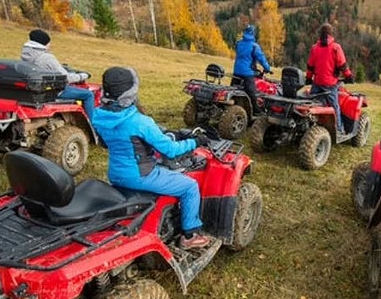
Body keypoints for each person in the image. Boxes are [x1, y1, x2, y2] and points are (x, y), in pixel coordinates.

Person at [90, 66, 211, 249]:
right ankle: (190, 235)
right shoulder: (140, 122)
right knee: (190, 187)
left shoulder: (98, 115)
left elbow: (109, 143)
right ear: (130, 94)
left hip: (116, 174)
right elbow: (170, 150)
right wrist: (195, 141)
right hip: (141, 176)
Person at [20, 28, 96, 124]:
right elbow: (66, 78)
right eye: (49, 43)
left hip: (33, 89)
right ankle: (92, 125)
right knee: (88, 95)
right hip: (52, 91)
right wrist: (83, 75)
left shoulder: (26, 54)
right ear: (44, 43)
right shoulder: (46, 57)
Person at [305, 23, 353, 134]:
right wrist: (348, 76)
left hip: (317, 83)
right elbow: (342, 65)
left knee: (310, 104)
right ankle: (339, 130)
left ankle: (309, 127)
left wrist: (308, 78)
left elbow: (310, 66)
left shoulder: (314, 48)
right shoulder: (336, 47)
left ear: (320, 34)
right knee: (335, 106)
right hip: (330, 85)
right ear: (331, 34)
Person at [232, 25, 272, 109]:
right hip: (247, 73)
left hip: (236, 71)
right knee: (253, 94)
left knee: (233, 90)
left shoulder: (239, 43)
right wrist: (268, 68)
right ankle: (256, 111)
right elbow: (261, 59)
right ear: (253, 34)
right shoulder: (254, 46)